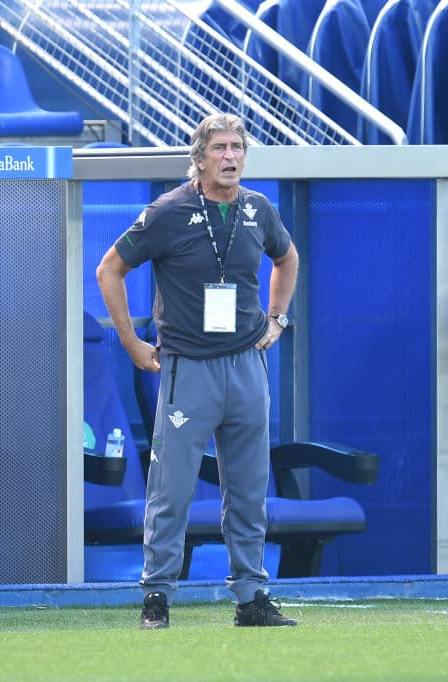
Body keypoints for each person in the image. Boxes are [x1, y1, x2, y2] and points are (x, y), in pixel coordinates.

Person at [96, 112, 300, 629]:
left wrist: (277, 318)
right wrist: (130, 341)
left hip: (247, 365)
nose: (231, 157)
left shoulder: (258, 209)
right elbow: (109, 269)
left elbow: (287, 258)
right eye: (220, 149)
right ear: (199, 158)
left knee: (250, 488)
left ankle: (251, 597)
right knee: (172, 489)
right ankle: (157, 597)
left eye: (238, 148)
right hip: (187, 369)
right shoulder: (168, 211)